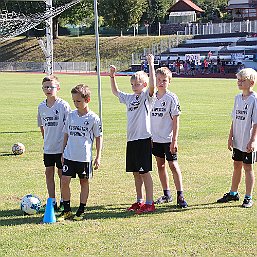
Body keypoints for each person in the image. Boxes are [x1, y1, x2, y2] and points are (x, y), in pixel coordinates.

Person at [109, 54, 156, 214]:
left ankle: (150, 203)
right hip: (132, 140)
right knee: (136, 172)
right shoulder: (129, 98)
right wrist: (112, 76)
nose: (134, 86)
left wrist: (151, 65)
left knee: (144, 171)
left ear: (143, 84)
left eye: (137, 84)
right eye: (132, 84)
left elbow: (152, 87)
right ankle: (139, 200)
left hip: (143, 138)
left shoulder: (146, 97)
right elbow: (115, 92)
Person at [58, 84, 103, 221]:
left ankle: (81, 210)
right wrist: (62, 152)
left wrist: (98, 156)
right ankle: (66, 210)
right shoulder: (71, 115)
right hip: (69, 156)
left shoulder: (93, 118)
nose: (76, 104)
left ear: (87, 100)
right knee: (64, 180)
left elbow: (99, 137)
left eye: (78, 101)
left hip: (84, 158)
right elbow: (66, 134)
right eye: (74, 101)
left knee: (84, 182)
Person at [217, 68, 257, 208]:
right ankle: (233, 193)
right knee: (236, 166)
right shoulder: (237, 98)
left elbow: (256, 122)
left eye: (242, 80)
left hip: (248, 141)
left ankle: (248, 197)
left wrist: (252, 140)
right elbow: (234, 119)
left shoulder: (254, 99)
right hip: (238, 139)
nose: (239, 82)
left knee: (248, 167)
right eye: (238, 80)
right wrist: (230, 137)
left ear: (251, 82)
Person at [151, 67, 188, 208]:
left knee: (173, 165)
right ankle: (167, 194)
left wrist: (174, 140)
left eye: (164, 80)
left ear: (169, 82)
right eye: (158, 80)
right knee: (160, 165)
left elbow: (175, 120)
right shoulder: (151, 97)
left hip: (168, 139)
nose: (161, 83)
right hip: (155, 139)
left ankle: (180, 195)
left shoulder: (171, 98)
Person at [37, 75, 71, 211]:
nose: (48, 89)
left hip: (62, 147)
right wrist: (46, 141)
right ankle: (52, 201)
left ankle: (64, 200)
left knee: (62, 174)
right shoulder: (41, 107)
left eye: (51, 86)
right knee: (48, 173)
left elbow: (69, 127)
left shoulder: (63, 105)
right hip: (49, 148)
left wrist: (66, 146)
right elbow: (41, 126)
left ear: (58, 88)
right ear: (42, 89)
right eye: (46, 87)